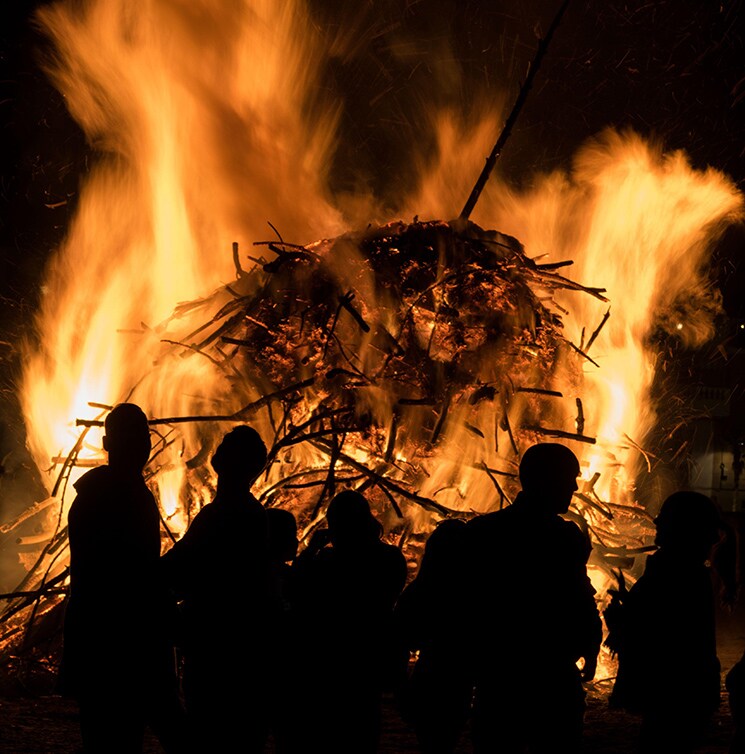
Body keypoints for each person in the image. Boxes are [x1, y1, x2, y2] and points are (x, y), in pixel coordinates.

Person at [59, 402, 186, 754]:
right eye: (130, 436)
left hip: (104, 636)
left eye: (142, 436)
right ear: (108, 443)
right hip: (121, 640)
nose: (139, 444)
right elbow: (132, 574)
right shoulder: (118, 496)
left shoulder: (106, 493)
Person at [466, 442, 601, 754]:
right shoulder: (564, 537)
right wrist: (590, 644)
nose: (575, 485)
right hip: (547, 677)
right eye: (569, 477)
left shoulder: (483, 531)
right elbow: (580, 597)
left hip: (500, 679)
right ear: (546, 479)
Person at [160, 425, 270, 753]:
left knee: (211, 733)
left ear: (219, 461)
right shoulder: (253, 515)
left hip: (214, 647)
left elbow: (179, 569)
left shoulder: (222, 515)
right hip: (241, 649)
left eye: (224, 449)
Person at [606, 491, 731, 752]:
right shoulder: (683, 569)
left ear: (681, 527)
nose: (656, 521)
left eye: (664, 516)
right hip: (686, 694)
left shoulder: (678, 572)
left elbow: (662, 637)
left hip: (676, 695)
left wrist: (622, 618)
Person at [294, 489, 408, 753]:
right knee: (364, 722)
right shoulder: (390, 558)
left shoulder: (327, 562)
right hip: (369, 654)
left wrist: (311, 550)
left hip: (330, 656)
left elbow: (297, 588)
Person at [393, 518, 472, 754]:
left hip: (430, 674)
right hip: (458, 678)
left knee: (432, 742)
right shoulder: (475, 593)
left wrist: (401, 688)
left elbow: (402, 639)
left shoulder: (419, 591)